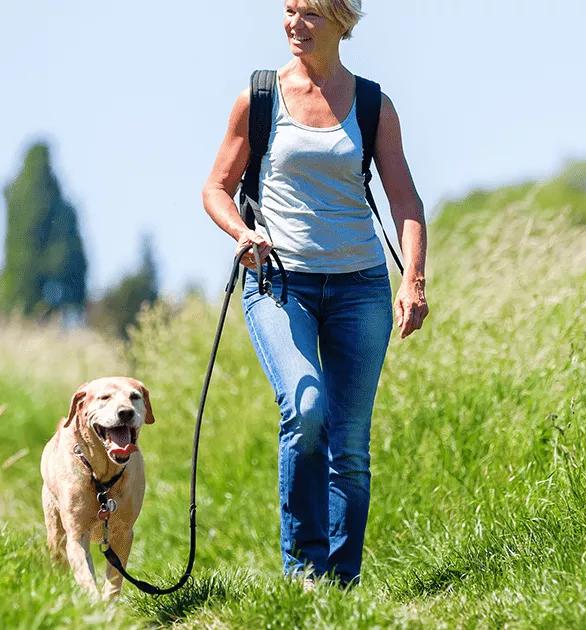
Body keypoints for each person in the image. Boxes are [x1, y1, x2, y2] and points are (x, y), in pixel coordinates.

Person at [200, 0, 429, 587]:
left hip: (360, 287)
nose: (294, 24)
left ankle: (340, 586)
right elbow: (217, 188)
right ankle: (304, 571)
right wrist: (242, 232)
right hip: (280, 283)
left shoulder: (374, 104)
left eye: (311, 14)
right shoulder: (260, 97)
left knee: (349, 445)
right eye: (290, 10)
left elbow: (406, 201)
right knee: (304, 411)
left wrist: (413, 279)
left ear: (342, 23)